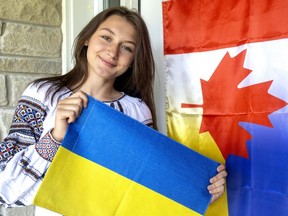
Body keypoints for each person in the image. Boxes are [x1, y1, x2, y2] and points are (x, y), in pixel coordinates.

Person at [0, 6, 227, 212]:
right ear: (88, 38)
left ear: (133, 59)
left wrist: (204, 190)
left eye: (126, 48)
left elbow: (148, 191)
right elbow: (5, 190)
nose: (112, 52)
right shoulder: (42, 94)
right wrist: (55, 137)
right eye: (106, 37)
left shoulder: (137, 111)